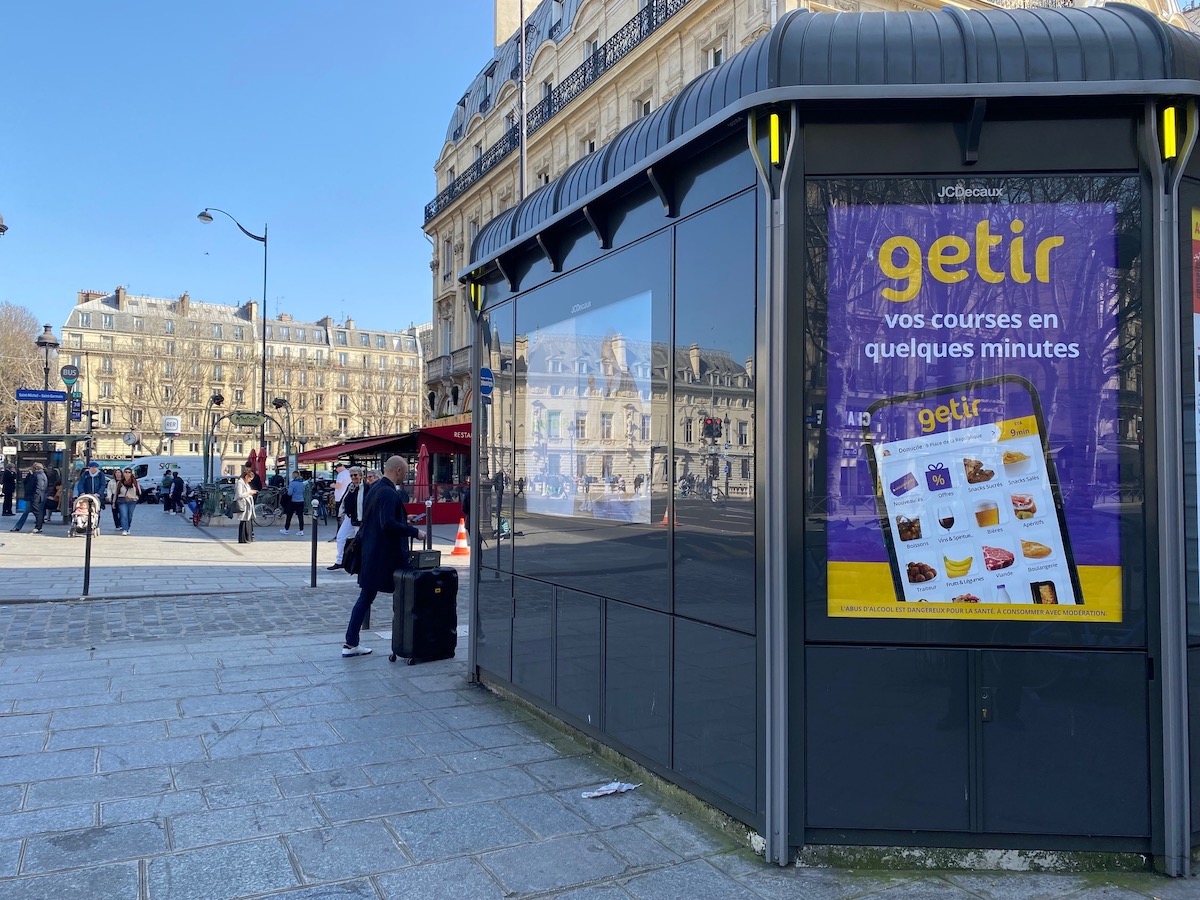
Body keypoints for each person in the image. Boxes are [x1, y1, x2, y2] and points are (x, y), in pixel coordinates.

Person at [342, 455, 425, 657]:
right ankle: (406, 642)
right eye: (405, 472)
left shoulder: (375, 489)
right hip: (386, 557)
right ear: (397, 471)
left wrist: (405, 518)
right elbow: (386, 524)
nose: (405, 477)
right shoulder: (389, 493)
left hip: (371, 554)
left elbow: (380, 517)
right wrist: (415, 532)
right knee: (406, 596)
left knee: (365, 597)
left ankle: (351, 644)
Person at [329, 466, 365, 570]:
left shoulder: (365, 487)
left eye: (355, 475)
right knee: (341, 537)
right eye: (351, 475)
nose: (353, 477)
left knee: (359, 540)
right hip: (349, 517)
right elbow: (345, 498)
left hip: (359, 519)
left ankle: (360, 562)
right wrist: (342, 512)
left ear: (361, 475)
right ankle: (340, 561)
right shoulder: (351, 486)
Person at [11, 463, 48, 533]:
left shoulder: (39, 475)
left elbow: (38, 488)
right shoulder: (36, 475)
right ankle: (19, 526)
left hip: (35, 497)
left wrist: (35, 497)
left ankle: (38, 527)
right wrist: (29, 475)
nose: (31, 469)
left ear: (36, 468)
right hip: (34, 497)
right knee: (32, 512)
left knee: (37, 512)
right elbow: (26, 483)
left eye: (33, 468)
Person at [114, 467, 141, 535]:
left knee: (130, 515)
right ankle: (125, 529)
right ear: (123, 473)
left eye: (129, 472)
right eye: (126, 472)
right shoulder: (120, 482)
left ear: (131, 473)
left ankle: (128, 527)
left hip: (132, 501)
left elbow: (139, 492)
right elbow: (116, 493)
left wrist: (135, 498)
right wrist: (113, 502)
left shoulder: (135, 482)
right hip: (122, 500)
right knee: (123, 515)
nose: (127, 474)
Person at [236, 465, 257, 544]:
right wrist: (249, 492)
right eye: (250, 479)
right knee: (244, 521)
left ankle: (248, 538)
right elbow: (239, 494)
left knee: (247, 520)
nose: (250, 481)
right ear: (246, 477)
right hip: (243, 504)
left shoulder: (245, 483)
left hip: (247, 504)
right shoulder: (240, 483)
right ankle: (243, 538)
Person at [281, 470, 306, 536]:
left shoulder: (292, 483)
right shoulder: (302, 483)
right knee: (300, 516)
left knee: (289, 516)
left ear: (294, 475)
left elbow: (289, 493)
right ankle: (301, 530)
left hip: (293, 501)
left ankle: (286, 530)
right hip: (301, 501)